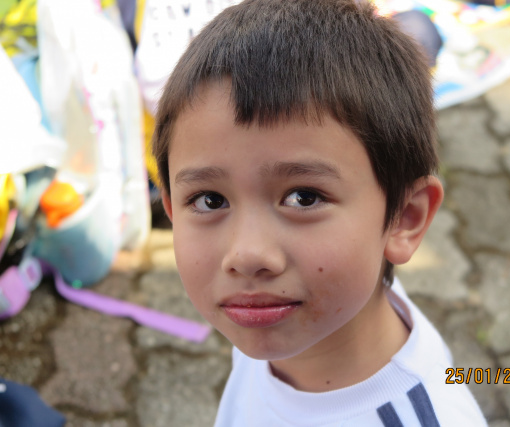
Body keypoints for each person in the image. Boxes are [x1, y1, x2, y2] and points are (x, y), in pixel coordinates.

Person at [153, 0, 487, 425]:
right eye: (210, 200)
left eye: (304, 197)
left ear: (403, 218)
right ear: (171, 209)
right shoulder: (285, 315)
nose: (246, 255)